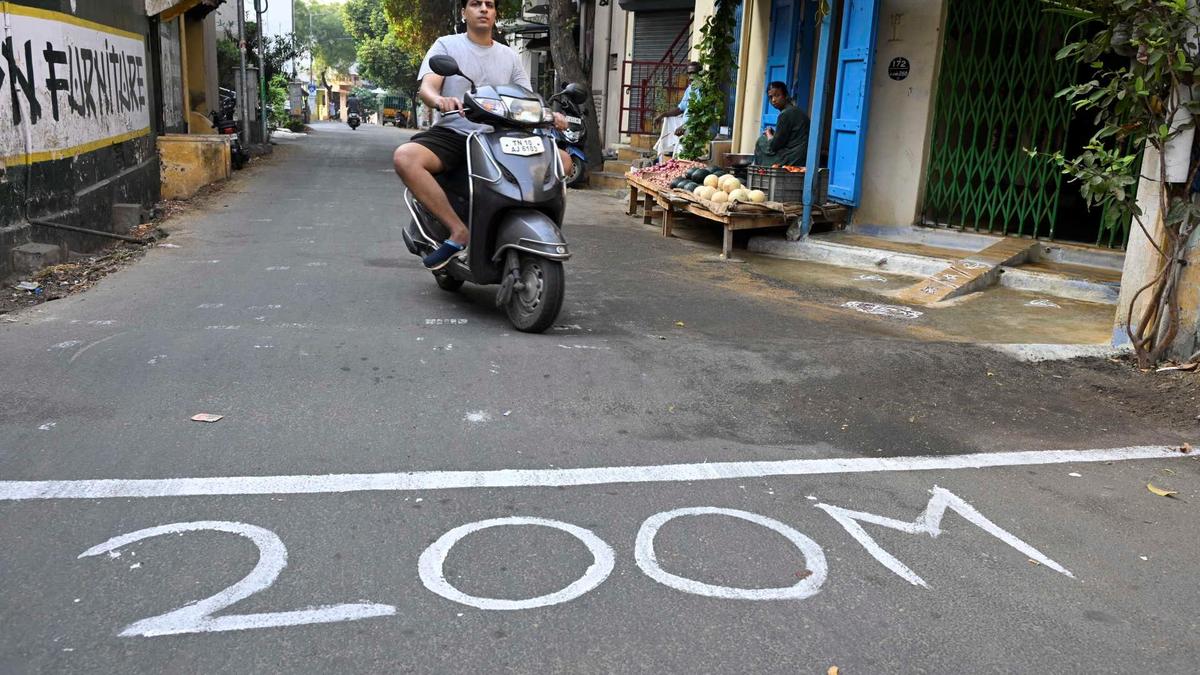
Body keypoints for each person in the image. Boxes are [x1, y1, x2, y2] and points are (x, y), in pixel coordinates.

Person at [392, 0, 569, 269]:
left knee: (563, 161)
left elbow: (528, 96)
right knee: (406, 157)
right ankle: (457, 230)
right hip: (456, 131)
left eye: (489, 4)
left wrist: (550, 114)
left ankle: (526, 226)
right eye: (476, 4)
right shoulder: (447, 46)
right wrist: (440, 101)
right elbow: (428, 87)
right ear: (464, 13)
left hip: (502, 135)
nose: (484, 9)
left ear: (495, 13)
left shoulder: (508, 55)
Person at [753, 81, 810, 168]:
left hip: (792, 158)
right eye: (770, 97)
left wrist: (768, 133)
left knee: (761, 141)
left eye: (777, 95)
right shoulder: (797, 111)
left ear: (786, 95)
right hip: (802, 155)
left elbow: (774, 146)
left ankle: (760, 173)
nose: (773, 100)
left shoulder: (785, 114)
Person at [652, 61, 700, 163]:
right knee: (679, 158)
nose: (691, 76)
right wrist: (662, 115)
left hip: (697, 131)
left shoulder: (703, 90)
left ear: (700, 73)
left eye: (694, 73)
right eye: (689, 73)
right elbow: (680, 109)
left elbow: (701, 114)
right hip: (686, 129)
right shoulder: (690, 89)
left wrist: (684, 126)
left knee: (685, 160)